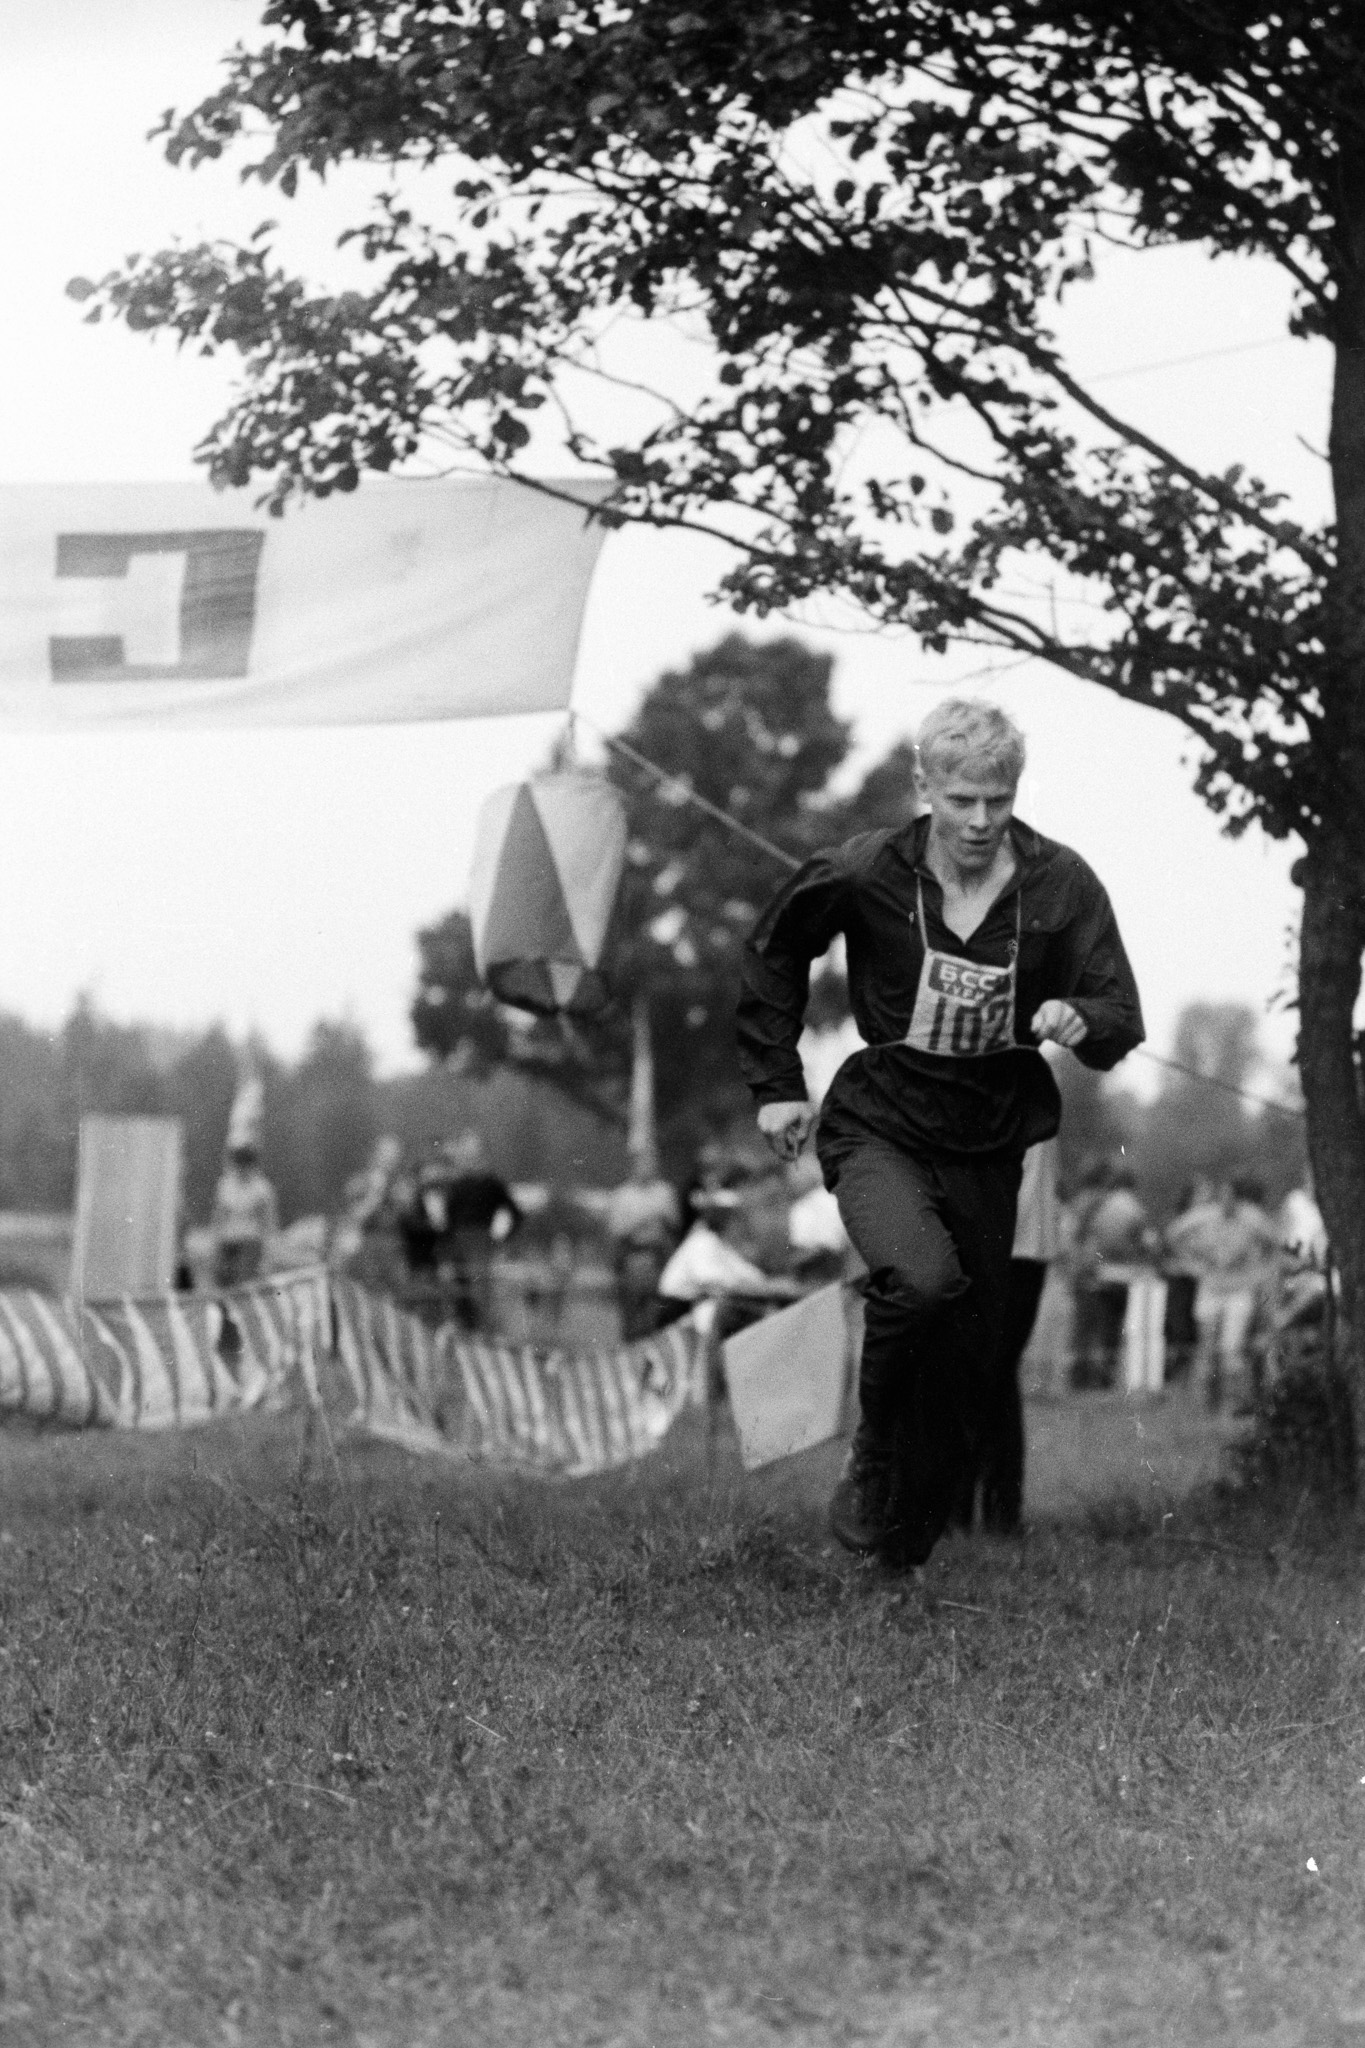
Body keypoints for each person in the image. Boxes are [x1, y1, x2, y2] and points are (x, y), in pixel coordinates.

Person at [737, 697, 1144, 1569]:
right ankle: (873, 1449)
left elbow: (1119, 1011)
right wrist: (776, 1084)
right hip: (880, 1119)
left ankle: (895, 1559)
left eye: (997, 800)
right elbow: (775, 948)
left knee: (970, 1366)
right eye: (960, 799)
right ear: (924, 787)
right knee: (921, 1281)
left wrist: (1081, 1016)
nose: (979, 820)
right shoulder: (862, 870)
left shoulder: (1060, 883)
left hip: (991, 1136)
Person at [954, 1134, 1061, 1535]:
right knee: (992, 1377)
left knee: (984, 1376)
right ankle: (990, 1510)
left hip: (1005, 1248)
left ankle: (971, 1509)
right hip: (1017, 1249)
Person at [1165, 1175, 1281, 1410]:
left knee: (1232, 1348)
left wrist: (1260, 1271)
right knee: (1207, 1347)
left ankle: (1233, 1403)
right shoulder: (1205, 1217)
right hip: (1211, 1287)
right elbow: (1174, 1235)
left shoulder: (1251, 1219)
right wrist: (1193, 1264)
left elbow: (1273, 1243)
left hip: (1239, 1289)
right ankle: (1208, 1404)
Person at [605, 1148, 682, 1340]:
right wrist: (643, 1219)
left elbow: (675, 1223)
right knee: (632, 1314)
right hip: (633, 1257)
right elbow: (616, 1231)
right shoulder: (622, 1195)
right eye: (642, 1164)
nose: (647, 1169)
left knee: (658, 1314)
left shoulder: (664, 1192)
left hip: (659, 1258)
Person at [210, 1142, 280, 1288]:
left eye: (245, 1165)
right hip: (228, 1242)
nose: (241, 1170)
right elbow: (219, 1217)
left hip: (250, 1243)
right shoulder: (225, 1184)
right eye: (238, 1165)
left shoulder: (261, 1189)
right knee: (224, 1286)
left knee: (243, 1287)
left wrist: (267, 1256)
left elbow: (268, 1223)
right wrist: (215, 1246)